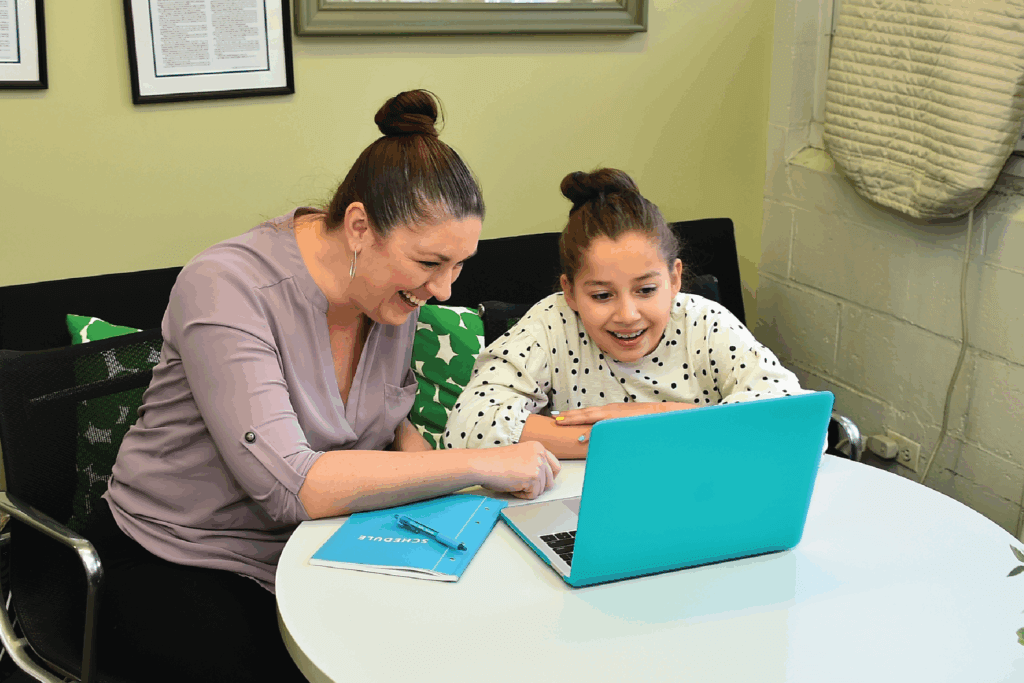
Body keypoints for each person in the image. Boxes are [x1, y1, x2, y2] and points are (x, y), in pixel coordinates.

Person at [87, 90, 559, 683]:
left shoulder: (389, 288)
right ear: (359, 227)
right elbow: (293, 487)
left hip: (316, 546)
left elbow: (390, 419)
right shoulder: (224, 287)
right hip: (182, 553)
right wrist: (478, 464)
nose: (443, 290)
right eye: (430, 263)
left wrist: (447, 507)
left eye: (458, 264)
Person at [443, 168, 806, 459]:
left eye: (646, 290)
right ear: (569, 292)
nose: (628, 315)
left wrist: (655, 416)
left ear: (674, 279)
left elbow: (796, 420)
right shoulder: (551, 324)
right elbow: (466, 428)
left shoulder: (705, 322)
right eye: (602, 295)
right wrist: (620, 437)